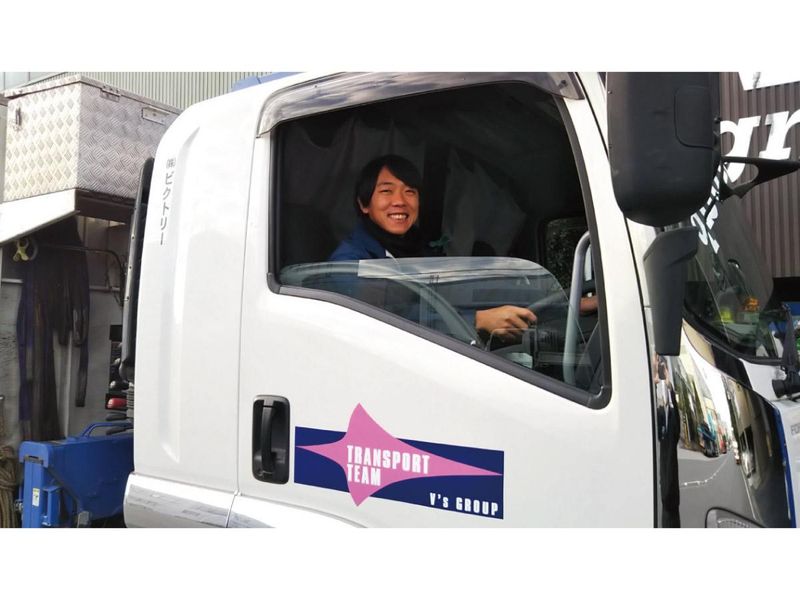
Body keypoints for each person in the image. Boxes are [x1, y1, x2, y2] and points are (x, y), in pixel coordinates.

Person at [329, 155, 537, 342]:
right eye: (386, 191)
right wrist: (477, 321)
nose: (400, 201)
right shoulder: (350, 262)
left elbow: (445, 297)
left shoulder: (421, 250)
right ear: (364, 204)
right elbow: (386, 320)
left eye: (410, 191)